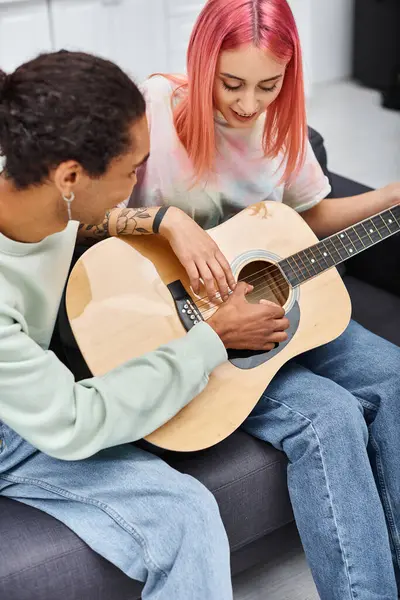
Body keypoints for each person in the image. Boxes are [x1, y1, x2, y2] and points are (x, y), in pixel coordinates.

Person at [78, 1, 400, 598]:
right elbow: (81, 220)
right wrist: (167, 220)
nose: (248, 104)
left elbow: (311, 216)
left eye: (268, 86)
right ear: (202, 63)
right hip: (195, 338)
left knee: (396, 378)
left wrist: (390, 196)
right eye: (231, 83)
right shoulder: (150, 110)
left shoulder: (281, 127)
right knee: (328, 417)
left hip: (284, 310)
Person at [0, 50, 294, 600]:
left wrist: (164, 219)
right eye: (131, 170)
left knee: (187, 513)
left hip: (28, 396)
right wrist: (213, 341)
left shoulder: (26, 176)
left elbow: (88, 215)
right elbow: (74, 420)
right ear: (69, 175)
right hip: (16, 431)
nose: (140, 181)